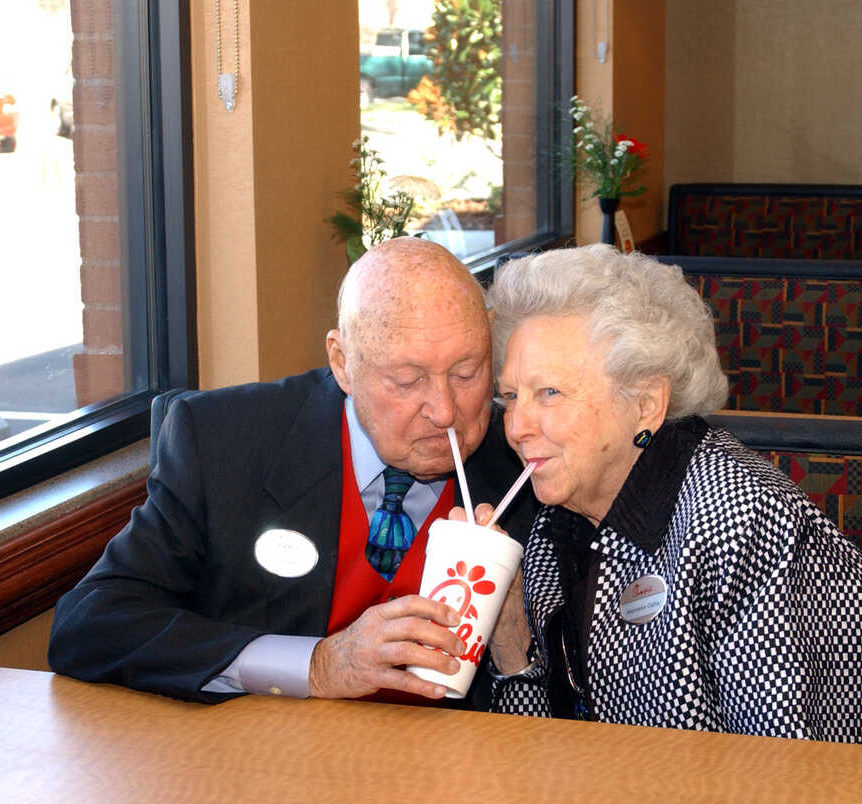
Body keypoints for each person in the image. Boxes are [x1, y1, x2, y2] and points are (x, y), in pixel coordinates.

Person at [49, 238, 535, 707]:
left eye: (467, 372)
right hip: (271, 767)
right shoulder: (226, 443)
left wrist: (514, 651)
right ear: (342, 363)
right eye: (408, 381)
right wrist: (318, 666)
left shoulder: (527, 463)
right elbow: (90, 624)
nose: (446, 411)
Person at [478, 245, 862, 744]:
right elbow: (538, 753)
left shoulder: (750, 526)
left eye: (549, 393)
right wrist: (510, 634)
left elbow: (784, 777)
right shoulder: (558, 519)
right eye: (511, 397)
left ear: (645, 404)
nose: (517, 427)